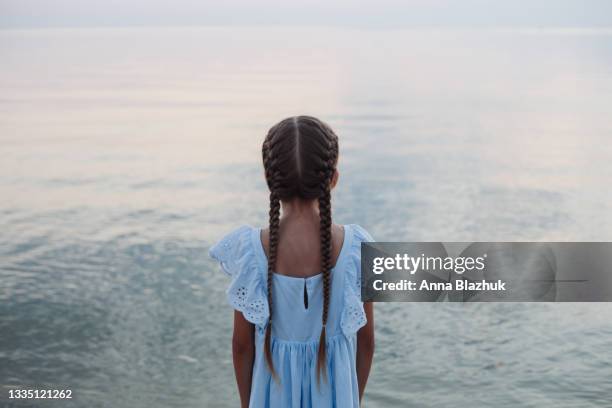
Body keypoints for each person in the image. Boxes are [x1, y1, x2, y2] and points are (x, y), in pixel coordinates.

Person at [209, 116, 375, 407]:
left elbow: (242, 347)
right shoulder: (359, 248)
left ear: (269, 179)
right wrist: (352, 398)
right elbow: (367, 343)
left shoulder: (249, 252)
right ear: (333, 178)